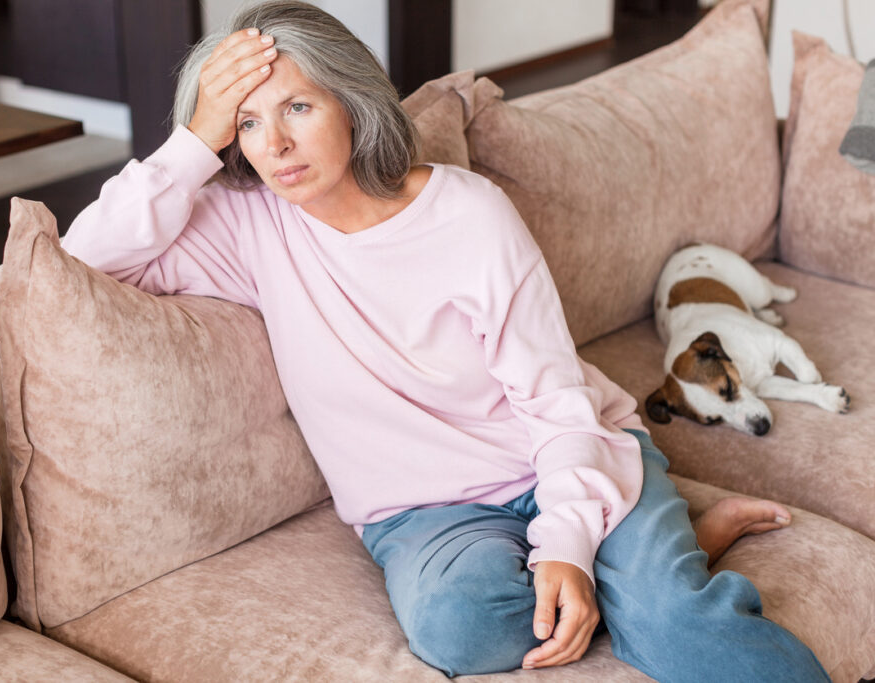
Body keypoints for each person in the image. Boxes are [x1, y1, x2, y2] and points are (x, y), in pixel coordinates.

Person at [60, 1, 829, 680]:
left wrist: (566, 539)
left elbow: (555, 399)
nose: (277, 147)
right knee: (460, 629)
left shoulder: (467, 214)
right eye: (248, 122)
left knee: (679, 627)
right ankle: (664, 552)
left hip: (555, 452)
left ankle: (652, 571)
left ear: (353, 102)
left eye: (297, 107)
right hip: (422, 513)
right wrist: (195, 139)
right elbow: (84, 255)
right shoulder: (247, 225)